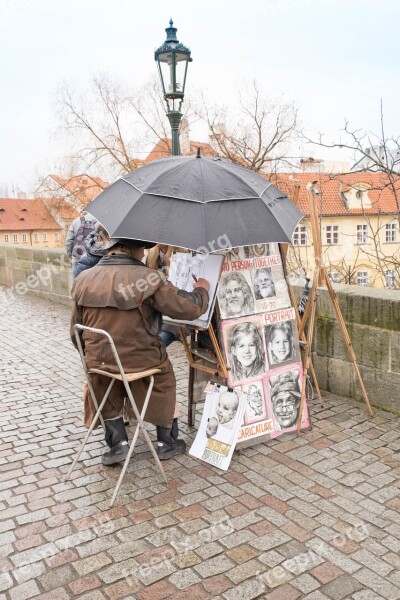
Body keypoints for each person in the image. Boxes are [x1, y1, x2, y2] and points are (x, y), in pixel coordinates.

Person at [71, 237, 210, 465]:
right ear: (135, 250)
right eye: (144, 250)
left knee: (103, 378)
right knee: (163, 377)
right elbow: (188, 308)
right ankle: (167, 442)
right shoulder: (148, 278)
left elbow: (75, 333)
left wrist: (94, 356)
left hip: (100, 361)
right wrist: (202, 291)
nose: (145, 254)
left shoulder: (83, 279)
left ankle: (117, 443)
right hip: (143, 360)